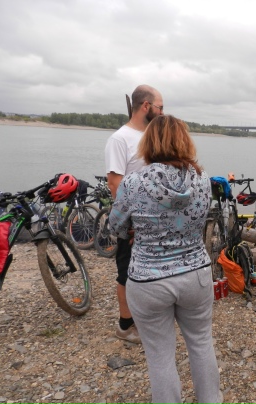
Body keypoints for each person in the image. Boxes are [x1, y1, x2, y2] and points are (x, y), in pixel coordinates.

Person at [108, 115, 220, 404]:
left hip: (148, 279)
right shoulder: (203, 179)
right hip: (196, 273)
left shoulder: (133, 182)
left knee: (160, 356)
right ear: (184, 141)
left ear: (148, 143)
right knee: (201, 344)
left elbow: (115, 226)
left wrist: (135, 229)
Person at [104, 84, 164, 344]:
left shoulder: (151, 136)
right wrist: (129, 220)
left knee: (150, 272)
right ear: (146, 106)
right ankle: (125, 325)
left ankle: (144, 319)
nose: (163, 112)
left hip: (154, 220)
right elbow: (114, 183)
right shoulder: (120, 139)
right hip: (132, 222)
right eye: (160, 107)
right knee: (127, 272)